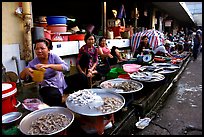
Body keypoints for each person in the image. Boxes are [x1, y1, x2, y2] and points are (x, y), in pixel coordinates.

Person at [19, 38, 69, 106]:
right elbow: (21, 77)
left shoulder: (53, 57)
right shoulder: (33, 63)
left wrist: (48, 65)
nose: (39, 51)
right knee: (52, 95)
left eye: (42, 48)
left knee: (81, 77)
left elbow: (66, 67)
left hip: (60, 81)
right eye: (37, 49)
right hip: (47, 85)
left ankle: (69, 98)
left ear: (48, 50)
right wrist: (26, 70)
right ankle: (61, 103)